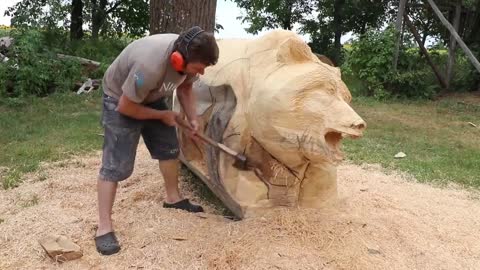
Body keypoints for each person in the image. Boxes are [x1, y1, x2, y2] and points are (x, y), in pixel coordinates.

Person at [94, 26, 219, 255]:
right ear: (178, 59)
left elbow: (185, 87)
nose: (200, 73)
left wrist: (193, 119)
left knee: (169, 147)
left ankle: (173, 199)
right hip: (119, 99)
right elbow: (127, 106)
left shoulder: (189, 61)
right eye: (198, 68)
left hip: (151, 96)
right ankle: (104, 228)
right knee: (116, 166)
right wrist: (163, 115)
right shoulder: (148, 66)